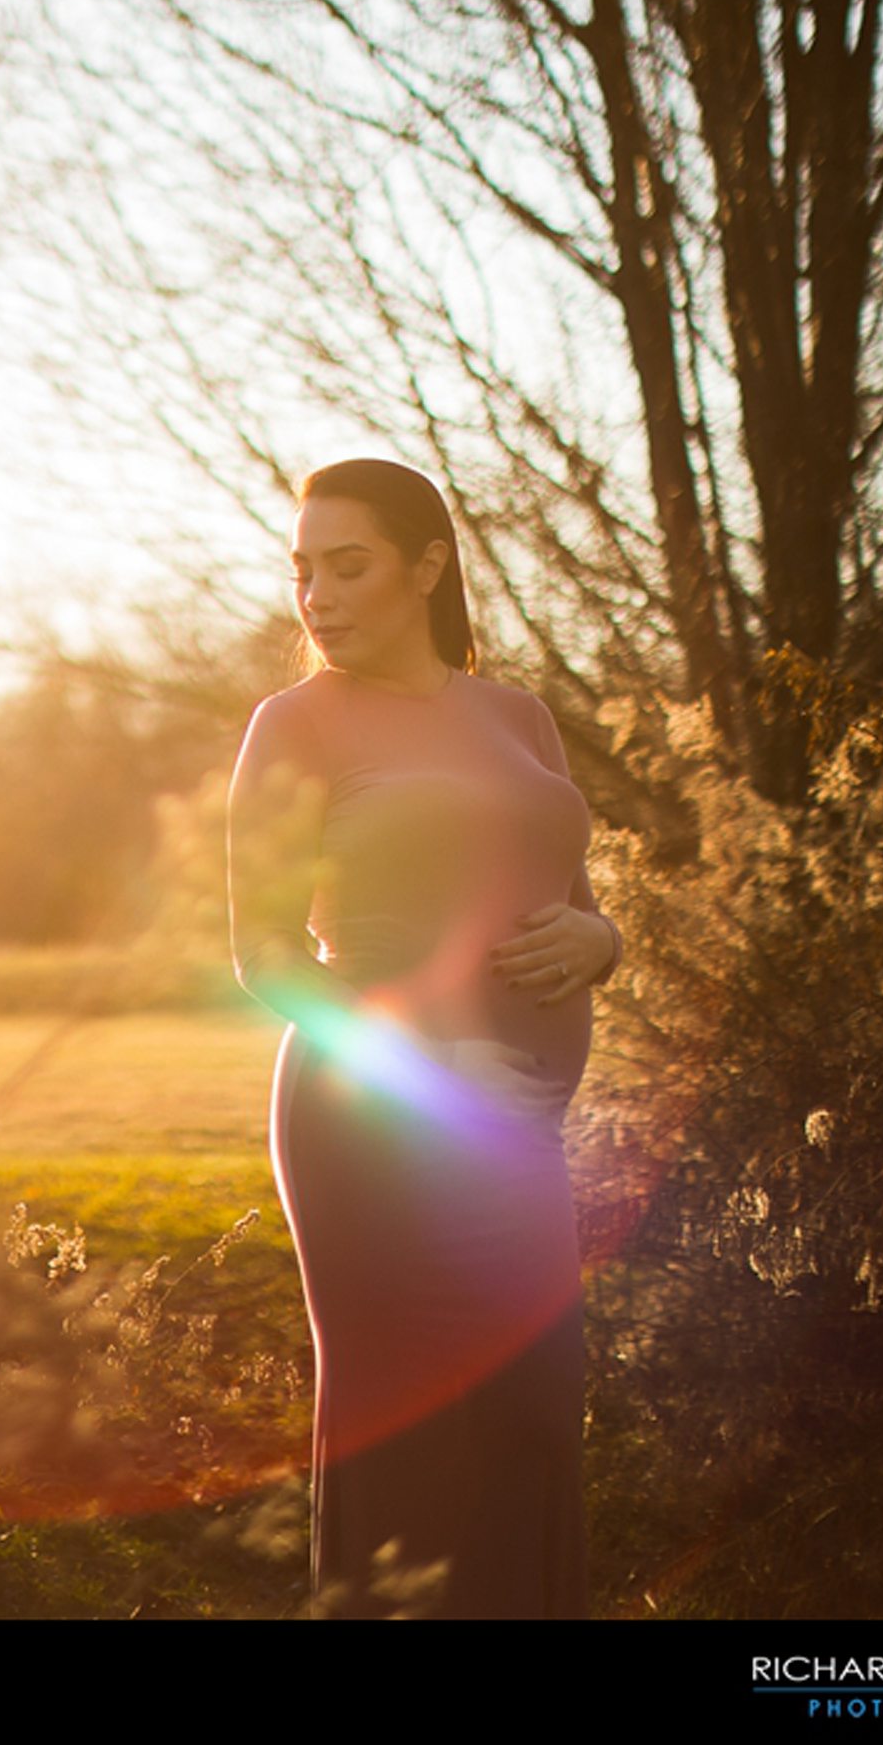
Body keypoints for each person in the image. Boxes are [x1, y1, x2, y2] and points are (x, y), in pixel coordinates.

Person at [225, 458, 618, 1619]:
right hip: (373, 1116)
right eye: (304, 570)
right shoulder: (294, 724)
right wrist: (441, 1076)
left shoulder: (517, 714)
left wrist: (602, 942)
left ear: (428, 566)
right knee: (413, 1425)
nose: (318, 596)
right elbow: (268, 957)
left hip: (518, 1133)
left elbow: (576, 896)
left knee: (536, 1406)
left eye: (348, 566)